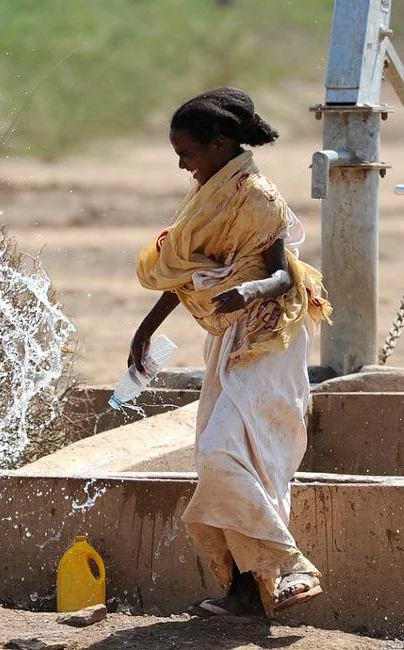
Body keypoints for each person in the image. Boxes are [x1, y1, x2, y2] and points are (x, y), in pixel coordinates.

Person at [129, 87, 332, 617]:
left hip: (268, 335)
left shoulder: (257, 195)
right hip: (227, 336)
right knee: (223, 458)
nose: (181, 164)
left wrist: (250, 291)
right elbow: (190, 271)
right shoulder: (207, 193)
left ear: (220, 144)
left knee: (232, 453)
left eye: (187, 153)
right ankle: (246, 590)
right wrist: (146, 328)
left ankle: (290, 567)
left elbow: (282, 273)